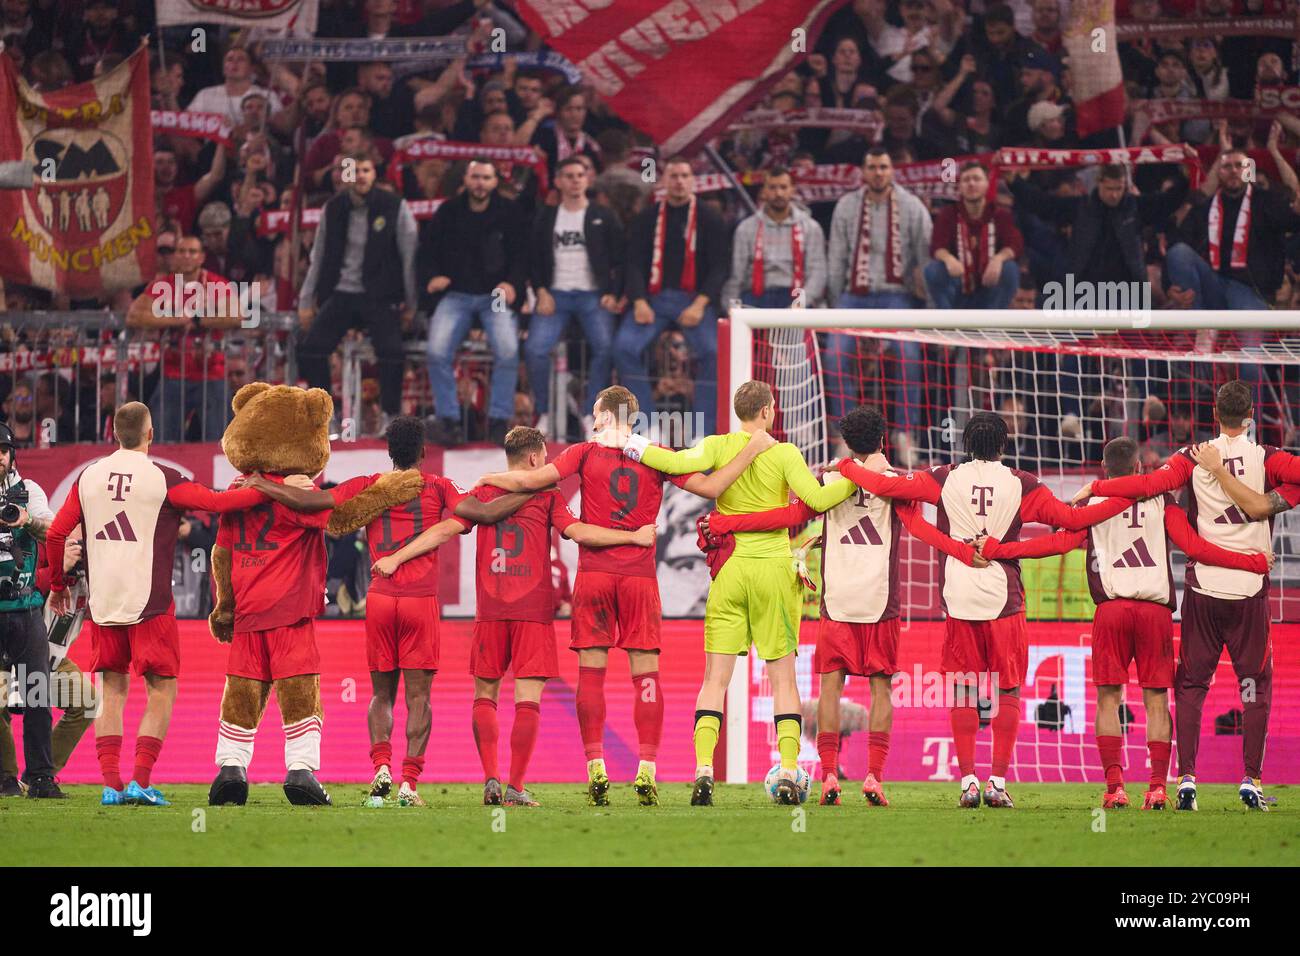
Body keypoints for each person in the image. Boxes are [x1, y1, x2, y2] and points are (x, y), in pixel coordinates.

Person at [474, 385, 776, 805]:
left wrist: (490, 478)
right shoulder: (656, 455)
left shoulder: (582, 453)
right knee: (646, 675)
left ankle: (596, 766)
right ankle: (647, 769)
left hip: (595, 574)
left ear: (608, 416)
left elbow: (531, 479)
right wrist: (752, 450)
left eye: (596, 414)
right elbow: (712, 489)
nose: (592, 422)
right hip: (638, 579)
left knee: (591, 673)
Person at [834, 412, 1134, 808]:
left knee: (962, 689)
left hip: (959, 595)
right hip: (1003, 597)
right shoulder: (1022, 483)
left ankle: (968, 783)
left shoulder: (944, 476)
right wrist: (1127, 495)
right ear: (1004, 446)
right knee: (1007, 689)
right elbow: (1071, 523)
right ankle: (997, 782)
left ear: (965, 445)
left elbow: (885, 484)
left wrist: (845, 465)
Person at [699, 405, 989, 806]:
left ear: (846, 443)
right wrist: (961, 551)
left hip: (837, 603)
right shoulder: (894, 483)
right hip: (880, 601)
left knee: (830, 687)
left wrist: (727, 523)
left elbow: (789, 515)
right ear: (883, 440)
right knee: (881, 688)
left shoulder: (829, 479)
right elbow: (921, 529)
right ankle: (873, 777)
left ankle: (830, 776)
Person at [243, 416, 532, 806]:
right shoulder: (437, 485)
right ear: (424, 452)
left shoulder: (370, 485)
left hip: (380, 599)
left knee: (381, 694)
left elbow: (313, 500)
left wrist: (264, 484)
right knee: (418, 699)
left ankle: (381, 768)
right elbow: (484, 514)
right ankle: (408, 786)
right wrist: (533, 493)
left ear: (389, 452)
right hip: (419, 601)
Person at [600, 381, 860, 805]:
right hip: (774, 569)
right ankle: (791, 770)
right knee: (782, 679)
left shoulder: (718, 446)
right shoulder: (784, 452)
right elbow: (815, 498)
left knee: (714, 679)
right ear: (768, 411)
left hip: (729, 572)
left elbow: (676, 460)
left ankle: (703, 768)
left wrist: (629, 442)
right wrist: (853, 477)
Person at [377, 426, 656, 808]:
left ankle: (490, 778)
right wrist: (632, 537)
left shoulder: (482, 493)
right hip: (532, 610)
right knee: (528, 699)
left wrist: (396, 557)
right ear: (535, 459)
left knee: (485, 695)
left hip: (490, 610)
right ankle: (515, 786)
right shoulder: (547, 494)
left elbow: (444, 530)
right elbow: (580, 533)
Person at [1076, 381, 1300, 811]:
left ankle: (1186, 780)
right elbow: (1263, 503)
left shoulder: (1190, 457)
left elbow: (1148, 485)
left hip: (1201, 590)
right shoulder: (1269, 459)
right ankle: (1250, 779)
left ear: (1214, 415)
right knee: (1254, 685)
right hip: (1249, 592)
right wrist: (1273, 504)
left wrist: (1096, 490)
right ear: (1251, 414)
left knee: (1192, 685)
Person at [44, 403, 270, 806]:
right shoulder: (161, 478)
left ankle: (111, 787)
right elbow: (216, 504)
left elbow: (57, 533)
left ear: (115, 434)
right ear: (150, 435)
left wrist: (59, 585)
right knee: (161, 690)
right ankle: (140, 781)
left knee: (111, 690)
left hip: (104, 603)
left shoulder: (88, 477)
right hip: (150, 604)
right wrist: (263, 487)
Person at [298, 152, 417, 433]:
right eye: (354, 170)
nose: (360, 175)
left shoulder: (394, 206)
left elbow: (410, 256)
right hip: (341, 292)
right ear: (343, 175)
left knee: (391, 351)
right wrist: (306, 300)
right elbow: (318, 256)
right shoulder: (333, 207)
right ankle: (326, 415)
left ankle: (390, 416)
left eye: (366, 169)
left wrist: (411, 304)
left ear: (374, 173)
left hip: (380, 294)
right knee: (311, 348)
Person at [826, 147, 932, 460]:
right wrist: (835, 306)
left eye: (883, 167)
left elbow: (924, 259)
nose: (878, 173)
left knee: (908, 353)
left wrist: (925, 306)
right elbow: (837, 259)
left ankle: (905, 433)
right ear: (863, 171)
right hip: (853, 297)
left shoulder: (912, 207)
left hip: (896, 296)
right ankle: (843, 434)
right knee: (834, 354)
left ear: (892, 170)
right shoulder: (847, 206)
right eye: (872, 167)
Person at [615, 157, 729, 436]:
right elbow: (633, 263)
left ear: (693, 181)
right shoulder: (647, 218)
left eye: (685, 175)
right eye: (674, 175)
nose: (679, 181)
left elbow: (721, 267)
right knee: (624, 347)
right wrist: (639, 300)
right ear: (664, 181)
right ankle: (647, 426)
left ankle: (702, 431)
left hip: (695, 300)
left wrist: (701, 304)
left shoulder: (710, 218)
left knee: (714, 352)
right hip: (654, 298)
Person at [420, 159, 528, 446]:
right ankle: (450, 421)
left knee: (507, 350)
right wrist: (432, 277)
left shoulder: (510, 212)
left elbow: (522, 256)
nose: (480, 183)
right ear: (466, 180)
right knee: (436, 351)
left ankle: (497, 421)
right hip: (456, 293)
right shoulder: (448, 211)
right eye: (475, 177)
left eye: (486, 177)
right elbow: (427, 251)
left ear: (495, 182)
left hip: (494, 294)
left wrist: (513, 284)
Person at [525, 157, 624, 438]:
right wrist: (540, 290)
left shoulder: (603, 215)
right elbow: (533, 258)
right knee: (534, 349)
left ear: (588, 179)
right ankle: (544, 410)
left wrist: (612, 293)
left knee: (605, 347)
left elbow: (621, 257)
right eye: (568, 175)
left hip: (592, 294)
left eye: (580, 175)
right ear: (558, 181)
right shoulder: (545, 216)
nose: (575, 180)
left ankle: (589, 412)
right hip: (555, 294)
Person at [0, 526, 96, 796]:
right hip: (12, 647)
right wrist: (57, 567)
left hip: (53, 657)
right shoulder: (40, 550)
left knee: (86, 701)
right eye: (74, 538)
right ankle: (6, 779)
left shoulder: (94, 568)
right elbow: (23, 591)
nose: (78, 545)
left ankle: (38, 774)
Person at [126, 234, 242, 442]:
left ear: (201, 257)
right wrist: (176, 320)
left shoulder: (216, 283)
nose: (186, 256)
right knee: (162, 442)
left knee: (221, 443)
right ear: (174, 257)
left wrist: (198, 321)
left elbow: (236, 316)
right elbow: (134, 315)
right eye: (181, 251)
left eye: (192, 252)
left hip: (211, 372)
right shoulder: (163, 285)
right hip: (173, 371)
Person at [0, 421, 59, 797]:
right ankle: (5, 777)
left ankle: (40, 777)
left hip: (26, 608)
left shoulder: (30, 491)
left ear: (11, 455)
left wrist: (26, 520)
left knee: (37, 695)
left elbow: (53, 532)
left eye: (2, 452)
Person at [1166, 147, 1300, 311]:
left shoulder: (1269, 201)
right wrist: (1169, 287)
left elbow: (1293, 223)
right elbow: (1177, 242)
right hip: (1212, 284)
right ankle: (1201, 325)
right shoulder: (1204, 208)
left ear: (1248, 170)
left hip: (1251, 291)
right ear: (1218, 173)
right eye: (1227, 166)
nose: (1234, 171)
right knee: (1179, 252)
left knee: (1250, 336)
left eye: (1239, 165)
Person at [722, 165, 828, 310]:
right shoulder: (745, 228)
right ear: (764, 191)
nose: (778, 193)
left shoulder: (811, 228)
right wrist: (731, 306)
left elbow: (817, 273)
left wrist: (801, 303)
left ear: (792, 190)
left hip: (796, 295)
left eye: (783, 187)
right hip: (755, 295)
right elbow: (736, 275)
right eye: (772, 188)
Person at [925, 161, 1022, 310]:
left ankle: (993, 325)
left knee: (1009, 269)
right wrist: (949, 259)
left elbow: (1014, 245)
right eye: (966, 180)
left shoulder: (1000, 214)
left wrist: (998, 259)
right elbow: (937, 247)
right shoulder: (948, 214)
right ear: (960, 187)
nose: (971, 184)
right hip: (958, 287)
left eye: (977, 179)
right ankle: (948, 322)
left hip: (989, 287)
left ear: (987, 184)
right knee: (934, 269)